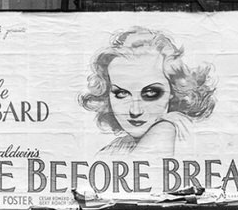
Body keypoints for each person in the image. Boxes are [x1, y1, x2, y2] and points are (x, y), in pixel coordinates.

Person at [79, 27, 217, 157]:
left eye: (151, 93)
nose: (135, 110)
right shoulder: (116, 148)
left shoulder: (167, 128)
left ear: (173, 91)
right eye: (121, 93)